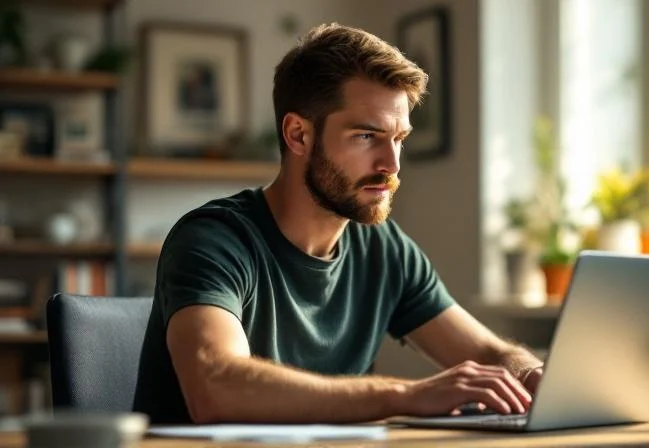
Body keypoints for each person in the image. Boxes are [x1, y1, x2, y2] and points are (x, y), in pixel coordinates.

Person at [133, 22, 544, 425]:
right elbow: (216, 386)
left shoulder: (383, 248)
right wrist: (405, 396)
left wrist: (531, 375)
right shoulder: (213, 240)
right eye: (367, 136)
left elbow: (488, 354)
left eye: (398, 138)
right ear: (298, 136)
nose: (392, 165)